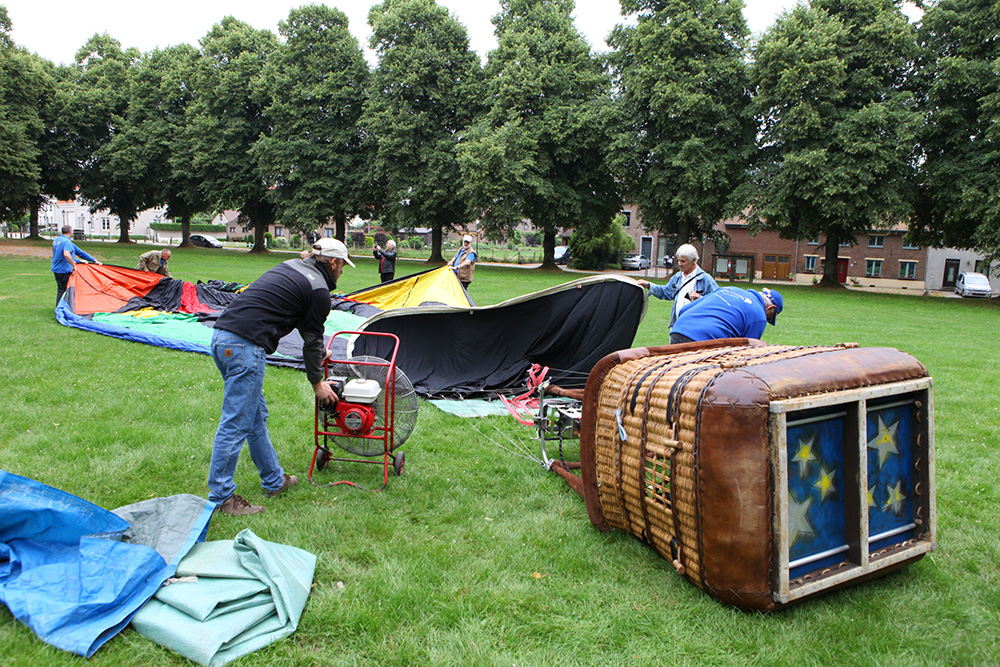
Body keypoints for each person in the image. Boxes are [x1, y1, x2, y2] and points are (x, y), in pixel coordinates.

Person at [209, 237, 354, 515]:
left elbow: (302, 322)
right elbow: (311, 340)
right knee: (236, 423)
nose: (341, 272)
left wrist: (319, 350)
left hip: (222, 338)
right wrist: (317, 384)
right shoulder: (318, 289)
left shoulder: (292, 266)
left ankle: (275, 481)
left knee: (254, 417)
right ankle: (221, 498)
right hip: (244, 346)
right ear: (333, 263)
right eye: (342, 266)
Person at [637, 244, 718, 328]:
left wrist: (700, 299)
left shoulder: (705, 279)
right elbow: (666, 292)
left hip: (696, 327)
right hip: (677, 325)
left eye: (683, 261)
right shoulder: (678, 277)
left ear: (694, 260)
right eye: (678, 260)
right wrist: (649, 285)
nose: (679, 264)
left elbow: (718, 302)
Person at [668, 286, 784, 345]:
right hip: (704, 341)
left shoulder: (728, 289)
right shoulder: (759, 316)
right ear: (770, 308)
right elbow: (747, 350)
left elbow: (685, 309)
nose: (766, 319)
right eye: (770, 317)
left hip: (679, 329)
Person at [51, 225, 101, 307]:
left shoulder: (57, 240)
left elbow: (80, 253)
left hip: (57, 269)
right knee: (69, 290)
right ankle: (66, 308)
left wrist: (93, 260)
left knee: (61, 290)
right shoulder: (67, 242)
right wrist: (74, 265)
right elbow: (66, 255)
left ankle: (59, 307)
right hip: (65, 270)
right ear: (70, 232)